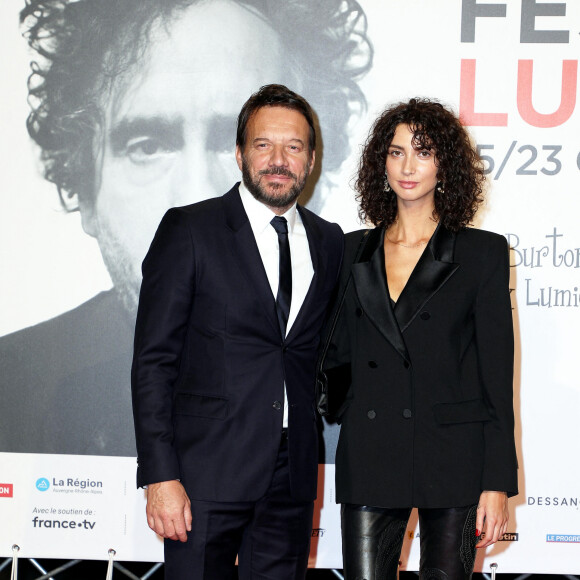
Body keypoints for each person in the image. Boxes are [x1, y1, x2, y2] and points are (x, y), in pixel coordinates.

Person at [0, 0, 371, 456]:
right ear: (86, 189)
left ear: (305, 173)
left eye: (236, 142)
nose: (196, 193)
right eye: (148, 145)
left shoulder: (377, 388)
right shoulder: (12, 392)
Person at [131, 84, 343, 579]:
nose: (278, 160)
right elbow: (153, 362)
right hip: (203, 473)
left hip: (291, 474)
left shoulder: (329, 241)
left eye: (293, 147)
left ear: (310, 160)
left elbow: (324, 352)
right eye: (263, 145)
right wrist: (160, 475)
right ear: (239, 153)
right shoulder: (189, 229)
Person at [318, 98, 518, 579]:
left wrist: (496, 482)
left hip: (454, 455)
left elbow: (497, 374)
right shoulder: (349, 250)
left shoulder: (482, 252)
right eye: (396, 151)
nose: (408, 166)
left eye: (423, 152)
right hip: (371, 451)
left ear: (444, 164)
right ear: (379, 162)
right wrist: (338, 402)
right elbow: (334, 350)